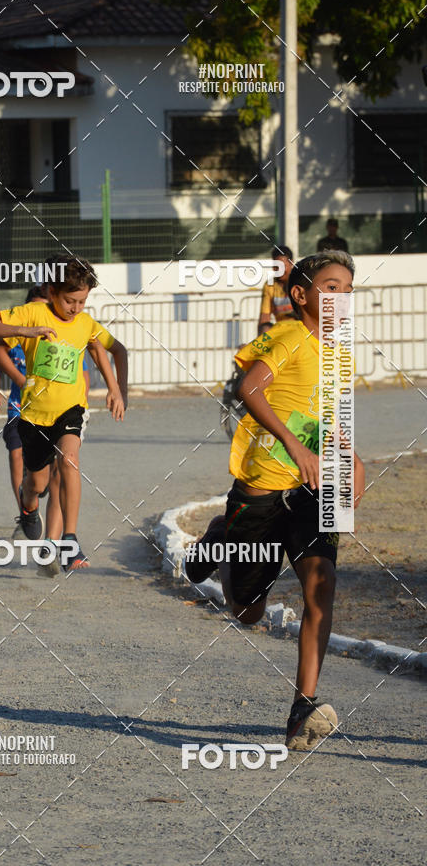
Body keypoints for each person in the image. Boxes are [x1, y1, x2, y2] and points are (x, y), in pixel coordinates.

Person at [186, 251, 365, 751]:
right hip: (262, 487)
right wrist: (291, 443)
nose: (342, 298)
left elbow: (327, 418)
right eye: (332, 288)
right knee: (248, 612)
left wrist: (351, 458)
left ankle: (302, 706)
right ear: (301, 294)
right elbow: (249, 387)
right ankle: (220, 538)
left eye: (349, 291)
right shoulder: (288, 336)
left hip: (312, 489)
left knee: (321, 585)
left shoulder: (341, 355)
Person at [0, 255, 128, 571]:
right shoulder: (33, 312)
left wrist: (115, 389)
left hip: (70, 409)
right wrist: (24, 331)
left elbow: (102, 348)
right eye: (70, 301)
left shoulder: (85, 322)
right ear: (51, 291)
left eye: (82, 301)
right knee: (37, 483)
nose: (76, 308)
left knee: (69, 460)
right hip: (34, 415)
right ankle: (28, 506)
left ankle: (68, 540)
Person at [257, 245, 295, 335]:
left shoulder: (300, 282)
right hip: (281, 331)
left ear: (291, 263)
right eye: (276, 267)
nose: (279, 271)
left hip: (301, 329)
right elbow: (264, 317)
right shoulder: (269, 285)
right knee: (265, 328)